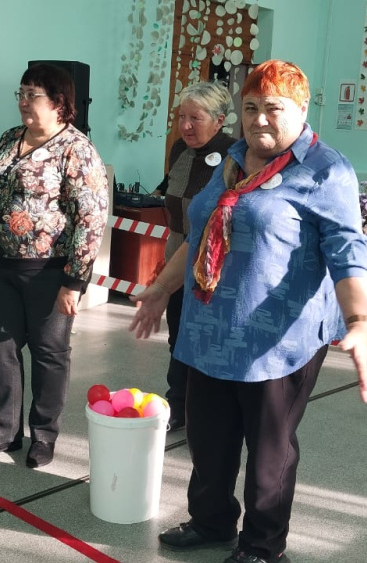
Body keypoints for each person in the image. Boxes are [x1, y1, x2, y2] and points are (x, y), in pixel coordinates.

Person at [130, 60, 367, 563]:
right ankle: (211, 521)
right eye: (250, 107)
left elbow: (349, 251)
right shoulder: (232, 161)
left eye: (273, 108)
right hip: (210, 328)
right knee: (209, 438)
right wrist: (160, 289)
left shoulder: (326, 170)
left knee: (268, 452)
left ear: (302, 109)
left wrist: (359, 320)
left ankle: (263, 546)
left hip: (278, 339)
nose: (259, 119)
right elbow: (200, 234)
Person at [0, 64, 109, 469]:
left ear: (60, 103)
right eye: (21, 93)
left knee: (49, 355)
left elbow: (91, 218)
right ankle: (1, 433)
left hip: (50, 271)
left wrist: (74, 282)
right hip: (3, 267)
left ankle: (43, 436)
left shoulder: (77, 150)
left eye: (33, 95)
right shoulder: (10, 138)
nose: (24, 102)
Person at [152, 81, 236, 432]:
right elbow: (171, 191)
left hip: (214, 267)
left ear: (219, 120)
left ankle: (207, 413)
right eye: (181, 117)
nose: (185, 126)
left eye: (195, 118)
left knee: (208, 340)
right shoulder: (179, 150)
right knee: (178, 337)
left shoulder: (235, 155)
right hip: (177, 259)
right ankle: (178, 405)